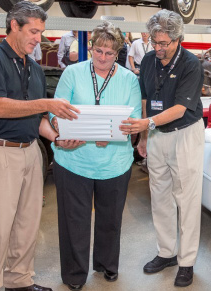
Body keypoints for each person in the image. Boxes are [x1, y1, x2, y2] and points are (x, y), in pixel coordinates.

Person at [0, 2, 79, 291]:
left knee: (27, 224)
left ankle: (19, 281)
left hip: (31, 151)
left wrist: (56, 137)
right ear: (14, 26)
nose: (37, 39)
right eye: (32, 31)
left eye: (40, 32)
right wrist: (48, 103)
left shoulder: (33, 66)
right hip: (0, 153)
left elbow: (39, 116)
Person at [50, 21, 142, 291]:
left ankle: (106, 264)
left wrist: (117, 132)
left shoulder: (129, 80)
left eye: (109, 53)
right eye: (98, 51)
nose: (103, 58)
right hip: (73, 160)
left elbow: (134, 119)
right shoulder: (73, 74)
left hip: (115, 163)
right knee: (73, 222)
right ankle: (74, 274)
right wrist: (58, 126)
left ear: (118, 53)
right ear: (90, 48)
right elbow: (55, 111)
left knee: (110, 219)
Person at [119, 9, 204, 288]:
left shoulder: (191, 65)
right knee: (160, 196)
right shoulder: (148, 61)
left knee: (187, 199)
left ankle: (187, 261)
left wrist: (147, 123)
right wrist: (144, 136)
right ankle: (166, 252)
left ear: (178, 39)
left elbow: (181, 109)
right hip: (155, 135)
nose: (158, 48)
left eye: (163, 43)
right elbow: (145, 99)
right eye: (154, 42)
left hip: (184, 135)